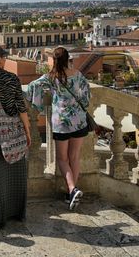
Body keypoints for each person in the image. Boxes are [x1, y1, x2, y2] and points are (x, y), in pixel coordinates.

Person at [26, 46, 90, 210]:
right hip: (79, 121)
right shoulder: (77, 74)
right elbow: (86, 95)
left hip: (61, 122)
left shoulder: (50, 77)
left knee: (62, 159)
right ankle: (71, 195)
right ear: (68, 59)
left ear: (54, 60)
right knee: (74, 157)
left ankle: (72, 189)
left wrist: (37, 103)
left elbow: (33, 87)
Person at [0, 45, 31, 229]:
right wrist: (27, 130)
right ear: (0, 59)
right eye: (5, 57)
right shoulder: (13, 78)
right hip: (16, 132)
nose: (6, 59)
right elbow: (21, 108)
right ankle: (18, 213)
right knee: (17, 174)